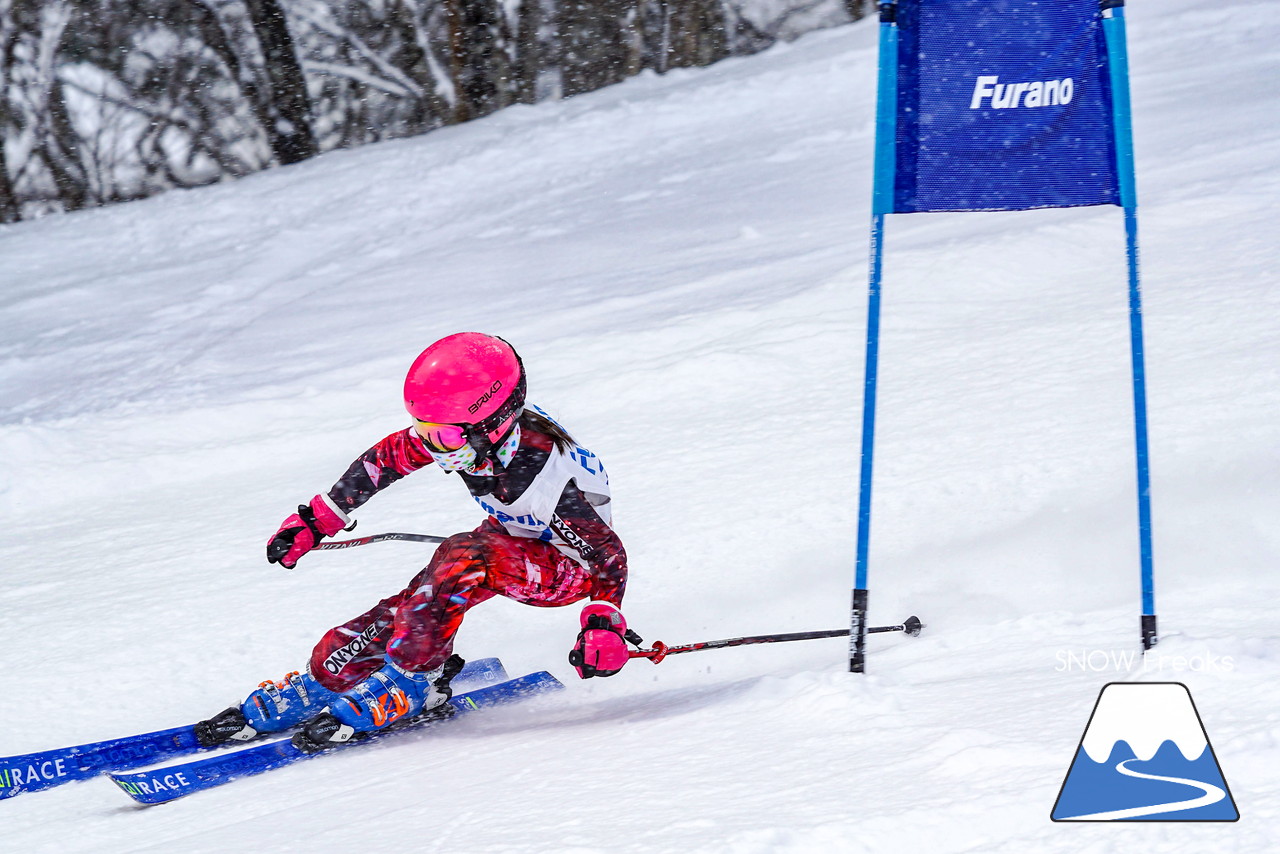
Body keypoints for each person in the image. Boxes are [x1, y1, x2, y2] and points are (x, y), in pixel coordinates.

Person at [196, 333, 632, 752]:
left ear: (493, 424)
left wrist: (603, 626)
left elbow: (607, 558)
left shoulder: (545, 476)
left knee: (461, 556)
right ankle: (332, 672)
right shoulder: (473, 437)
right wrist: (318, 518)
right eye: (425, 432)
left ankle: (414, 680)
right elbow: (389, 457)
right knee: (420, 598)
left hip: (570, 567)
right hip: (514, 538)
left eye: (441, 437)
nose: (432, 449)